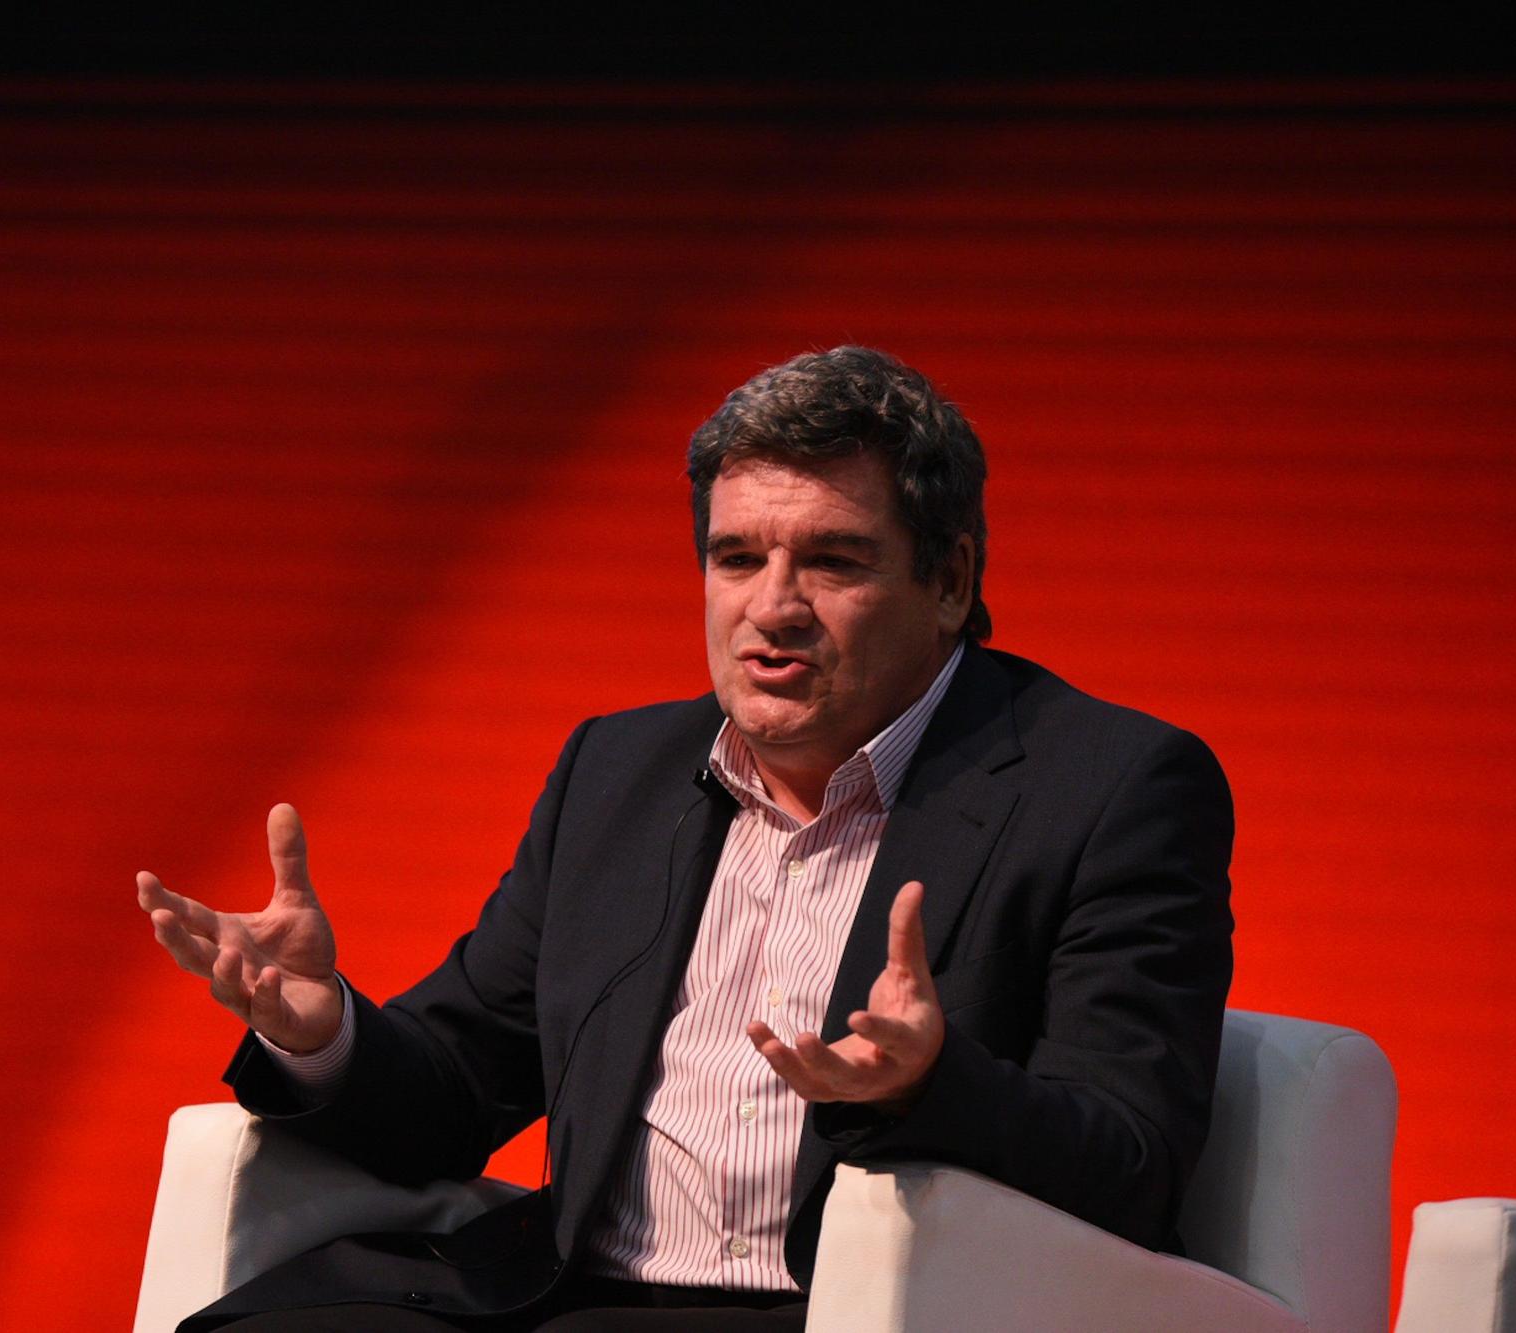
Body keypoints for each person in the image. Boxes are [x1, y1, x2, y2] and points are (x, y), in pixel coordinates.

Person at [136, 346, 1235, 1331]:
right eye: (735, 558)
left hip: (838, 1311)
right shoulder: (619, 772)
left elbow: (1130, 1164)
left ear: (947, 581)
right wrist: (320, 1028)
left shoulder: (1110, 787)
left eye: (835, 562)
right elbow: (463, 1083)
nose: (773, 607)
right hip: (566, 1293)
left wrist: (922, 1087)